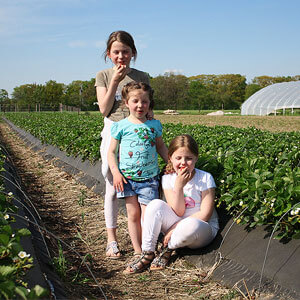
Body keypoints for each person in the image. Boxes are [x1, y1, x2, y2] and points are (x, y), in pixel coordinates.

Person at [124, 134, 219, 274]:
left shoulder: (205, 178)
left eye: (189, 158)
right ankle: (148, 252)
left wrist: (175, 228)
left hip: (201, 229)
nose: (183, 163)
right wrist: (179, 186)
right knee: (154, 205)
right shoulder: (168, 178)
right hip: (177, 222)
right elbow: (178, 211)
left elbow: (205, 214)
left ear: (196, 158)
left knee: (191, 225)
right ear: (170, 158)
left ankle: (168, 249)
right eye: (178, 158)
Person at [95, 30, 151, 259]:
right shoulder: (104, 75)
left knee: (139, 183)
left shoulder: (142, 75)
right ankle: (112, 240)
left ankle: (143, 240)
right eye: (116, 52)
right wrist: (116, 81)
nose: (121, 56)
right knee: (112, 183)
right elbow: (104, 109)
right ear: (109, 54)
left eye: (125, 52)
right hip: (113, 130)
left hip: (137, 131)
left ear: (133, 53)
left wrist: (151, 131)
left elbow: (148, 107)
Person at [107, 81, 168, 258]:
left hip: (149, 178)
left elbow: (161, 147)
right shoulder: (120, 126)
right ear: (126, 103)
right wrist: (116, 173)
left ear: (150, 104)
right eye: (135, 101)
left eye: (144, 102)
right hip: (127, 179)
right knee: (133, 215)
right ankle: (137, 250)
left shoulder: (154, 125)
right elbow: (111, 152)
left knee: (147, 216)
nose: (140, 105)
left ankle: (148, 247)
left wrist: (170, 163)